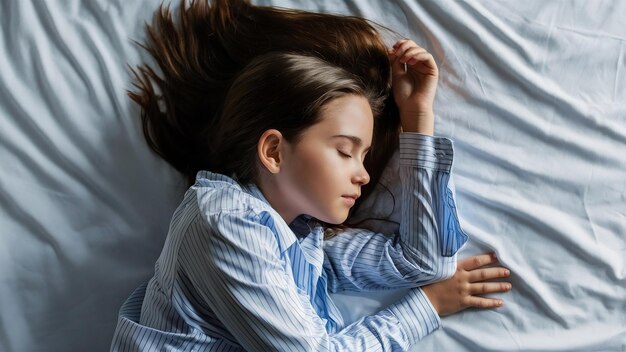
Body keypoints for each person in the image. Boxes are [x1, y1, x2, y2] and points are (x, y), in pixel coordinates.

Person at [111, 1, 511, 351]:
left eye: (365, 155)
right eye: (344, 151)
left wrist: (418, 119)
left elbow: (426, 262)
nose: (364, 175)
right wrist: (427, 307)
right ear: (273, 151)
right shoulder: (223, 221)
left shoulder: (302, 238)